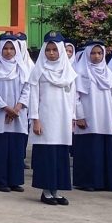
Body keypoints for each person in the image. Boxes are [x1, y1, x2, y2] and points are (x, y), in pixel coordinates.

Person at [29, 32, 77, 206]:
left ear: (61, 51)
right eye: (48, 49)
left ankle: (56, 191)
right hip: (46, 119)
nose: (51, 53)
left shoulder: (69, 72)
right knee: (47, 156)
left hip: (62, 120)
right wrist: (35, 119)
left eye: (54, 50)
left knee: (60, 156)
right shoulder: (39, 71)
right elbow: (34, 96)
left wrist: (72, 118)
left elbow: (72, 98)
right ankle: (46, 192)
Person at [0, 35, 30, 193]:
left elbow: (27, 89)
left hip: (18, 114)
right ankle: (0, 180)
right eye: (5, 48)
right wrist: (6, 108)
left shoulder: (22, 68)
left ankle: (15, 180)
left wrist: (17, 108)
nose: (8, 52)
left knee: (16, 148)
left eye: (11, 49)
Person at [73, 40, 112, 192]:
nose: (96, 56)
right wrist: (79, 116)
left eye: (99, 53)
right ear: (87, 54)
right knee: (89, 150)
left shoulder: (108, 73)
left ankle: (105, 182)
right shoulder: (80, 71)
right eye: (93, 53)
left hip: (106, 118)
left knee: (104, 150)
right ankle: (87, 182)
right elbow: (75, 96)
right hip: (88, 118)